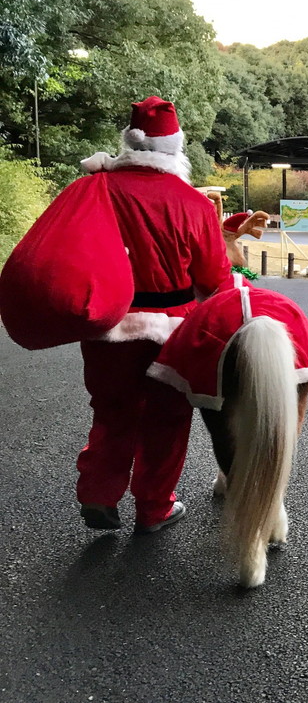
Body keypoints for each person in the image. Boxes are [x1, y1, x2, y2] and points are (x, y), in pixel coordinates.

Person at [72, 96, 232, 531]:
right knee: (166, 417)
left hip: (108, 321)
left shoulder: (96, 188)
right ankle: (154, 508)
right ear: (174, 147)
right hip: (172, 329)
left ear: (129, 142)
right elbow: (215, 277)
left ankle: (99, 495)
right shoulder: (193, 203)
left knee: (111, 408)